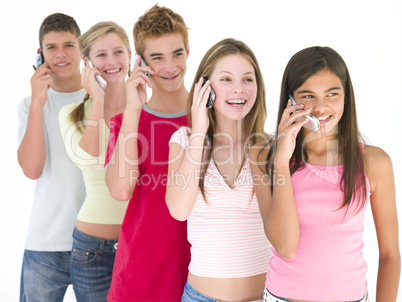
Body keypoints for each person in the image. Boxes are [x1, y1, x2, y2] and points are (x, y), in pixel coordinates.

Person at [250, 46, 401, 302]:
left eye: (332, 93)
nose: (321, 107)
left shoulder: (374, 162)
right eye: (308, 95)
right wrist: (283, 160)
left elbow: (389, 254)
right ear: (290, 99)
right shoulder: (263, 156)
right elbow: (285, 246)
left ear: (346, 96)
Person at [165, 38, 272, 302]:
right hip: (201, 296)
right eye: (226, 80)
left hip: (265, 296)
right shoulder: (184, 139)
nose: (239, 89)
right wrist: (199, 131)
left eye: (248, 79)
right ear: (206, 88)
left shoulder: (273, 147)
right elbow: (178, 210)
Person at [104, 4, 191, 301]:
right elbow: (120, 190)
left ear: (189, 52)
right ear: (141, 61)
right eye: (157, 57)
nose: (170, 67)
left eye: (177, 54)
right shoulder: (126, 121)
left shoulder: (211, 117)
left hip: (201, 277)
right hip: (138, 278)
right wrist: (132, 108)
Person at [58, 21, 131, 301]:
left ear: (130, 56)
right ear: (87, 62)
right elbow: (86, 155)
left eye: (118, 52)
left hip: (138, 242)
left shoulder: (146, 109)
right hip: (91, 249)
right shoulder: (72, 113)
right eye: (101, 55)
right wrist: (98, 100)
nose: (111, 62)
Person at [17, 13, 85, 301]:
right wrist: (39, 102)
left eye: (69, 45)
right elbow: (32, 169)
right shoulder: (30, 105)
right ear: (40, 53)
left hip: (98, 242)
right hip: (45, 244)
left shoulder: (105, 98)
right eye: (52, 47)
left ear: (82, 49)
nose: (61, 54)